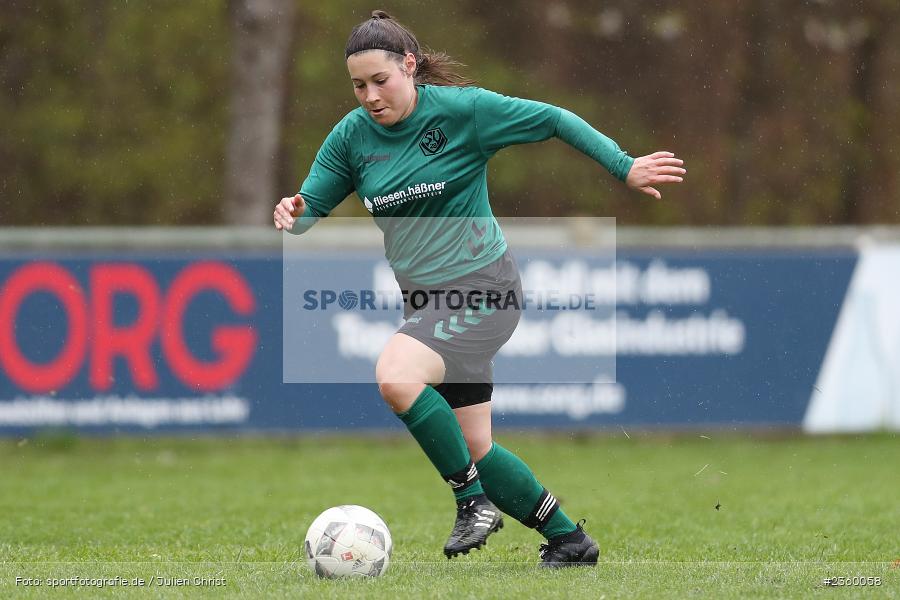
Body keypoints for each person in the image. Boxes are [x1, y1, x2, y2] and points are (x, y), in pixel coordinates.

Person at [274, 10, 685, 568]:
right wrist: (292, 213)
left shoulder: (463, 112)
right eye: (358, 84)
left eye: (381, 80)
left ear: (410, 67)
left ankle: (472, 503)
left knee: (396, 375)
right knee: (474, 450)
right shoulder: (351, 138)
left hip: (484, 287)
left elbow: (555, 119)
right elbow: (308, 210)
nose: (370, 95)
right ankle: (569, 541)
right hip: (428, 302)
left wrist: (624, 165)